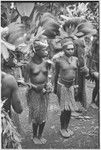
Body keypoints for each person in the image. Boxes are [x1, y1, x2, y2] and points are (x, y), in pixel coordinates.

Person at [53, 40, 89, 138]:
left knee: (69, 109)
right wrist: (55, 88)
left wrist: (76, 86)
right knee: (64, 109)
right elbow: (55, 75)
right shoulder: (59, 60)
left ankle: (66, 127)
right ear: (64, 49)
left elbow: (76, 74)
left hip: (71, 87)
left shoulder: (76, 59)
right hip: (62, 86)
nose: (70, 51)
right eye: (68, 49)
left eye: (72, 49)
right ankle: (62, 128)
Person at [23, 36, 52, 144]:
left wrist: (48, 86)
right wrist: (36, 87)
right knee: (36, 115)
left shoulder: (46, 63)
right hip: (34, 93)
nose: (46, 52)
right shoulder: (28, 65)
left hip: (44, 92)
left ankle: (40, 135)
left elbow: (48, 76)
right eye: (43, 50)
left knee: (43, 114)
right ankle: (34, 136)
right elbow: (26, 82)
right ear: (36, 51)